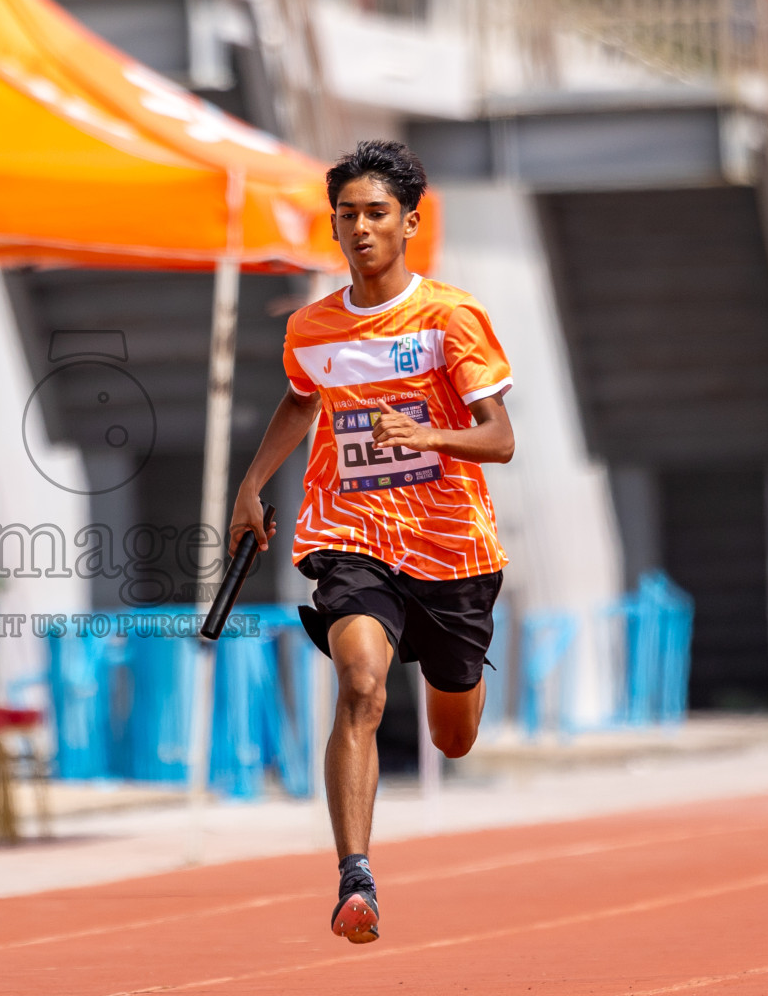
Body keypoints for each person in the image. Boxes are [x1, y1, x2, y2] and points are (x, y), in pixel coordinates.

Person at [228, 140, 515, 945]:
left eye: (376, 214)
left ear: (409, 223)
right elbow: (299, 401)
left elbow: (498, 440)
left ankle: (456, 672)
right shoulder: (311, 326)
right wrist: (251, 487)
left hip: (452, 548)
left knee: (452, 737)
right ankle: (356, 878)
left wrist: (425, 432)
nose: (360, 228)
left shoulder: (451, 317)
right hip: (349, 532)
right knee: (360, 684)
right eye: (346, 214)